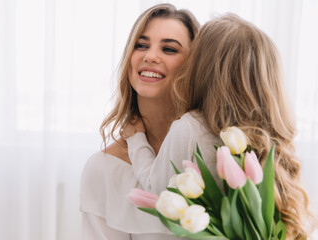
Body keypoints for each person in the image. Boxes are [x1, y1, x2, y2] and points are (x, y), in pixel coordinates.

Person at [124, 13, 317, 239]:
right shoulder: (265, 140)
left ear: (200, 69)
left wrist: (136, 139)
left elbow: (156, 189)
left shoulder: (189, 127)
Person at [79, 4, 201, 239]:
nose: (150, 56)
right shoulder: (103, 170)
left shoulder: (214, 155)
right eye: (141, 45)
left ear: (194, 65)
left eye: (169, 49)